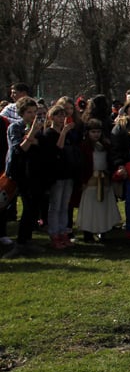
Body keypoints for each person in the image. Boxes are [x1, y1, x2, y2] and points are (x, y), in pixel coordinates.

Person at [3, 96, 54, 259]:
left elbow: (42, 147)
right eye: (29, 112)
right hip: (21, 172)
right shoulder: (15, 127)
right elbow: (20, 149)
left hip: (36, 171)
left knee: (34, 208)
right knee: (25, 206)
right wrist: (31, 134)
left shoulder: (40, 128)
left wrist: (32, 138)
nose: (33, 115)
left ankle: (27, 240)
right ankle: (20, 243)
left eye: (35, 112)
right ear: (22, 113)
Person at [76, 119, 121, 243]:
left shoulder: (105, 145)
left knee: (103, 207)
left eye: (98, 132)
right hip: (90, 181)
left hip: (104, 179)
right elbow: (82, 165)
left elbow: (110, 161)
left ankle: (103, 230)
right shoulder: (84, 147)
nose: (96, 134)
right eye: (93, 132)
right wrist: (83, 180)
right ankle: (88, 232)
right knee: (89, 208)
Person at [45, 103, 79, 248]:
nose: (61, 118)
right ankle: (54, 234)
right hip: (56, 175)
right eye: (58, 115)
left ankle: (63, 232)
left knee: (65, 205)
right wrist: (63, 132)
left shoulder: (69, 134)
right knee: (55, 205)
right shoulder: (49, 133)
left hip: (68, 173)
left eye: (63, 115)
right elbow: (58, 148)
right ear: (51, 117)